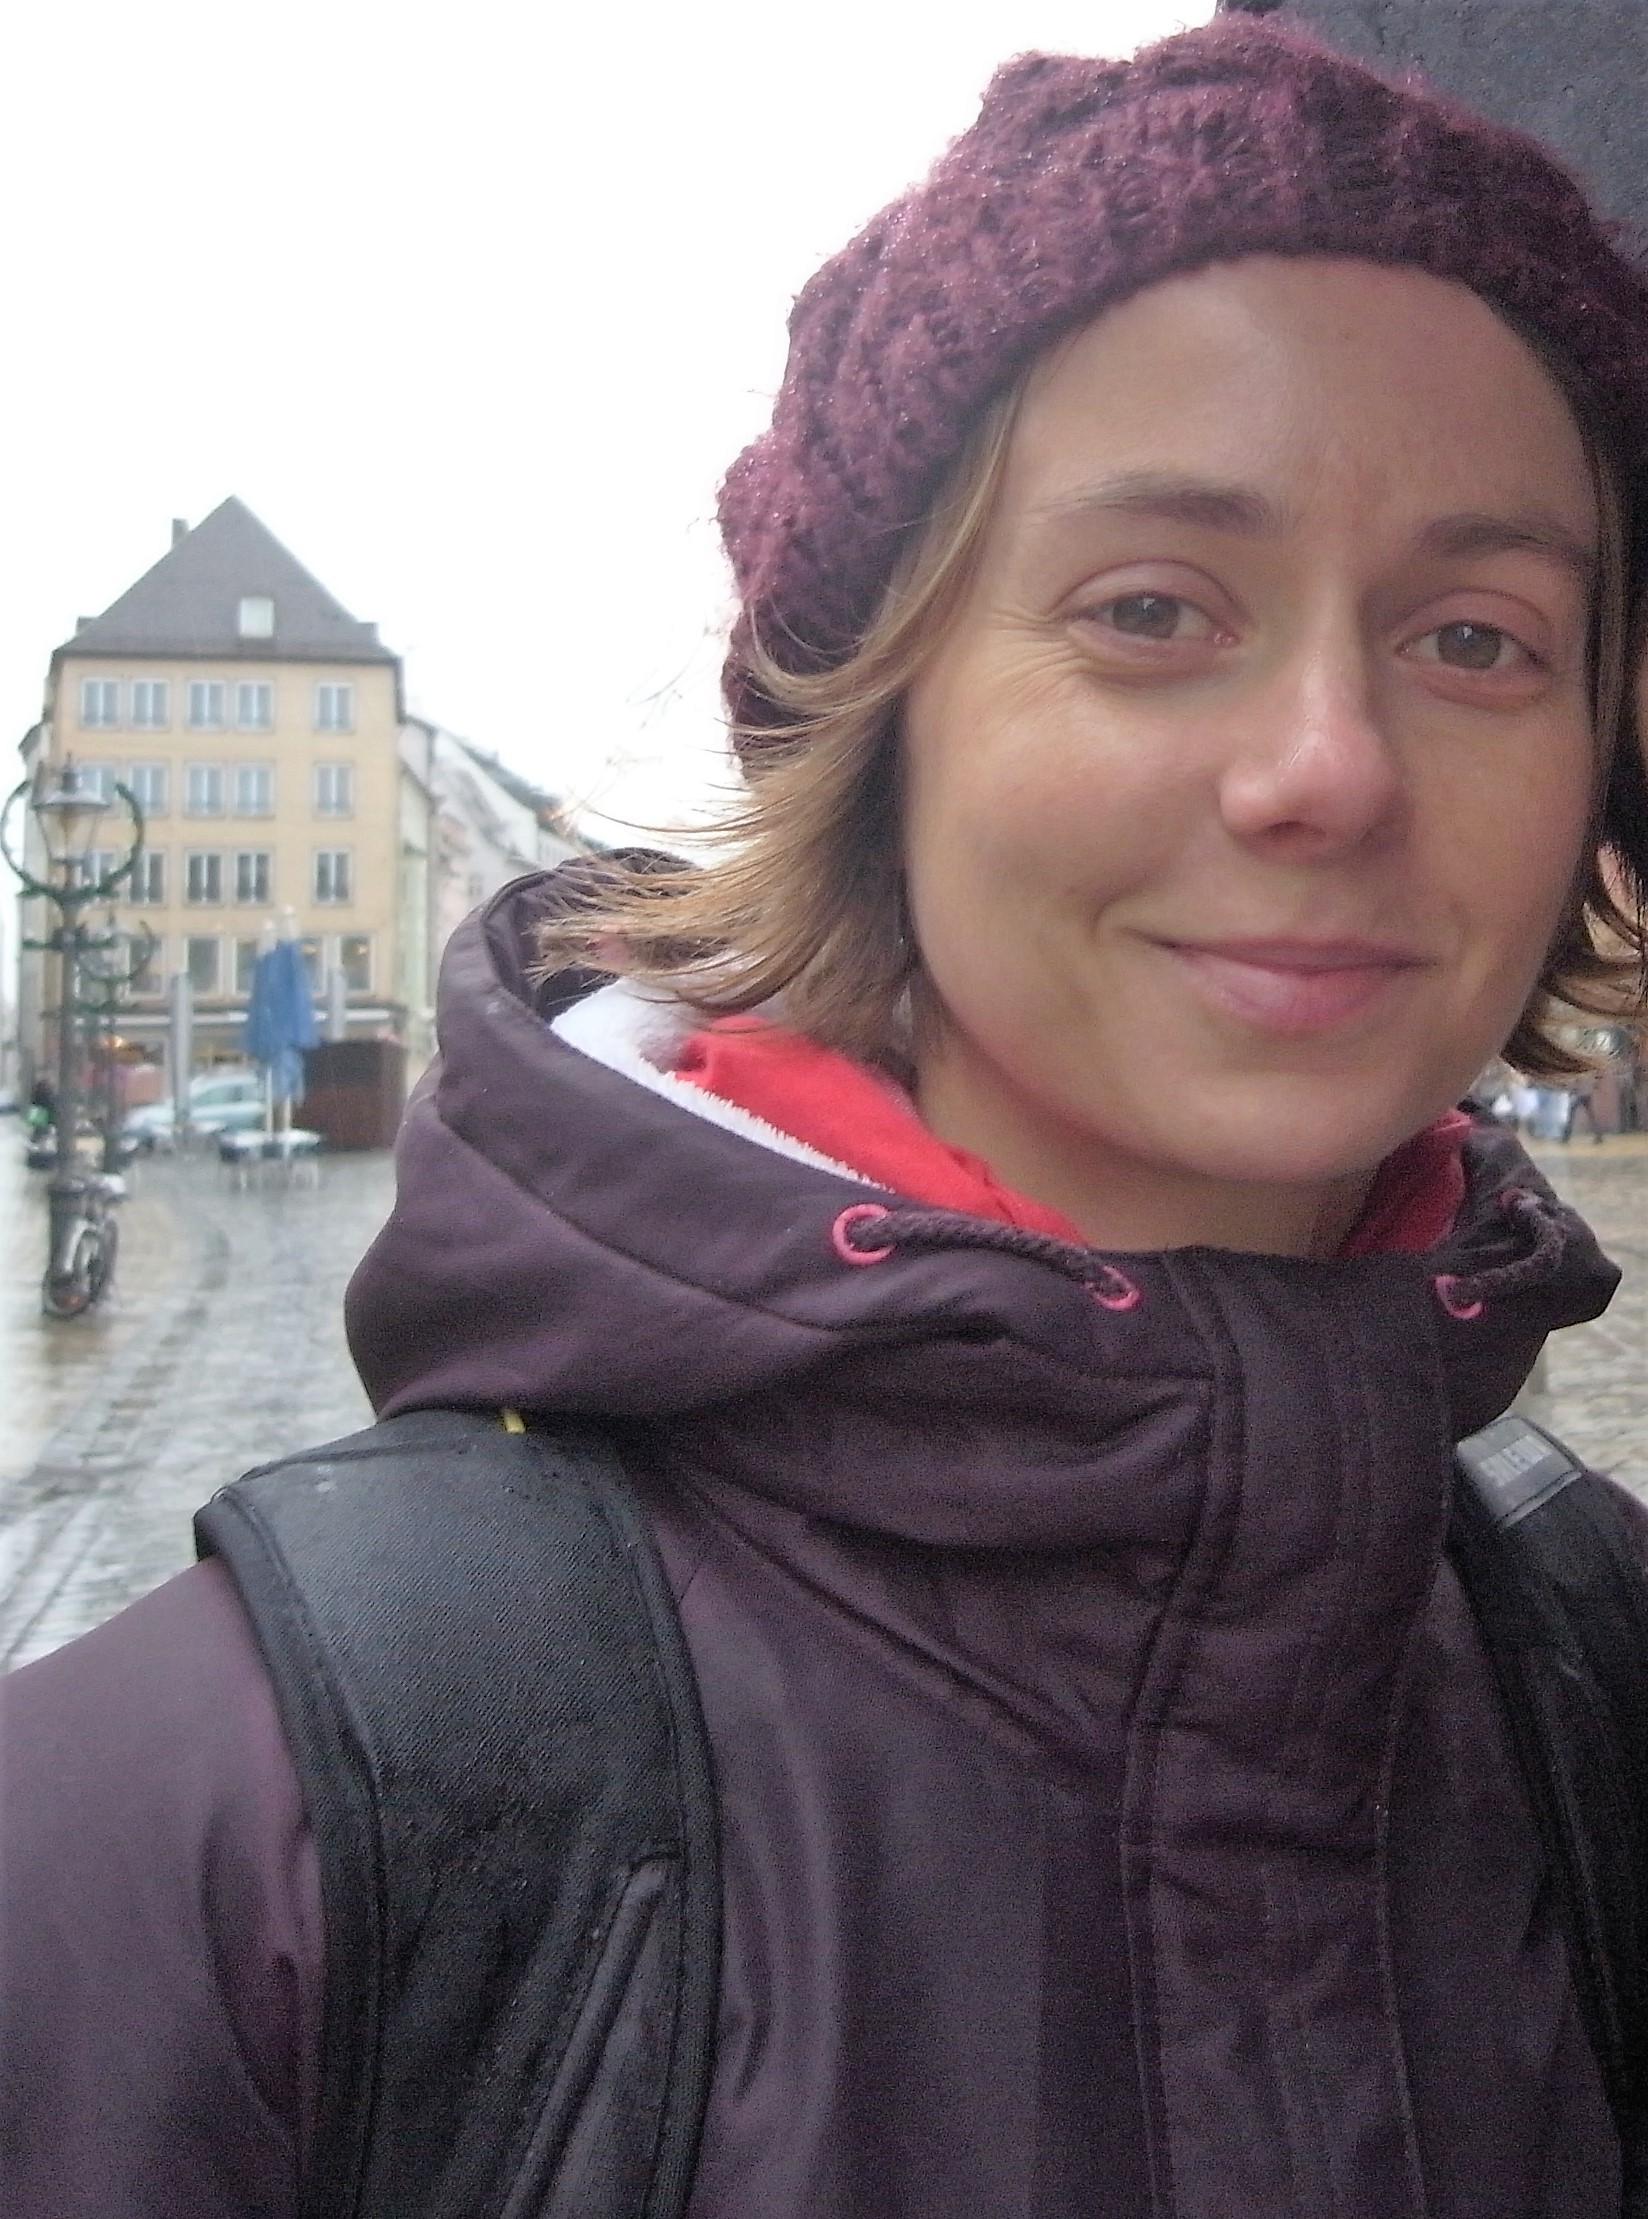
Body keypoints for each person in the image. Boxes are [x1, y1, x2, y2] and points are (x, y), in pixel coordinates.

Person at [6, 15, 1648, 2217]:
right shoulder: (219, 1833)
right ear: (873, 721)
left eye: (1476, 639)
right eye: (1151, 609)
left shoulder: (1595, 1672)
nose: (1327, 766)